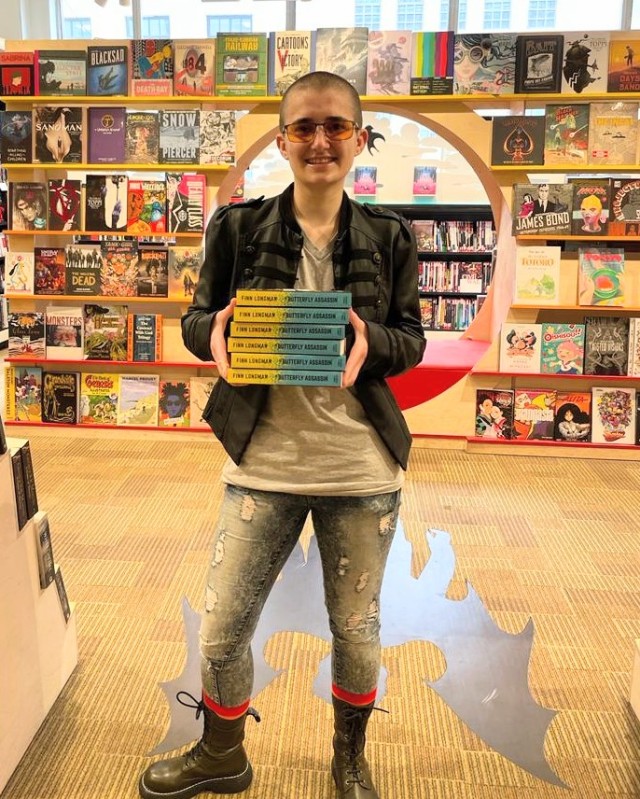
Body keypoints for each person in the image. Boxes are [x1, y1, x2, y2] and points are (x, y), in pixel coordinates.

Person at [138, 70, 426, 799]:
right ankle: (221, 753)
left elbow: (412, 338)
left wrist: (372, 343)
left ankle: (350, 760)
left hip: (360, 469)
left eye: (335, 126)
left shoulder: (391, 235)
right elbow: (197, 318)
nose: (320, 140)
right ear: (281, 139)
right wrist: (218, 333)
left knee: (356, 631)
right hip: (261, 462)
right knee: (221, 629)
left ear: (358, 138)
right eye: (305, 127)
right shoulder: (235, 227)